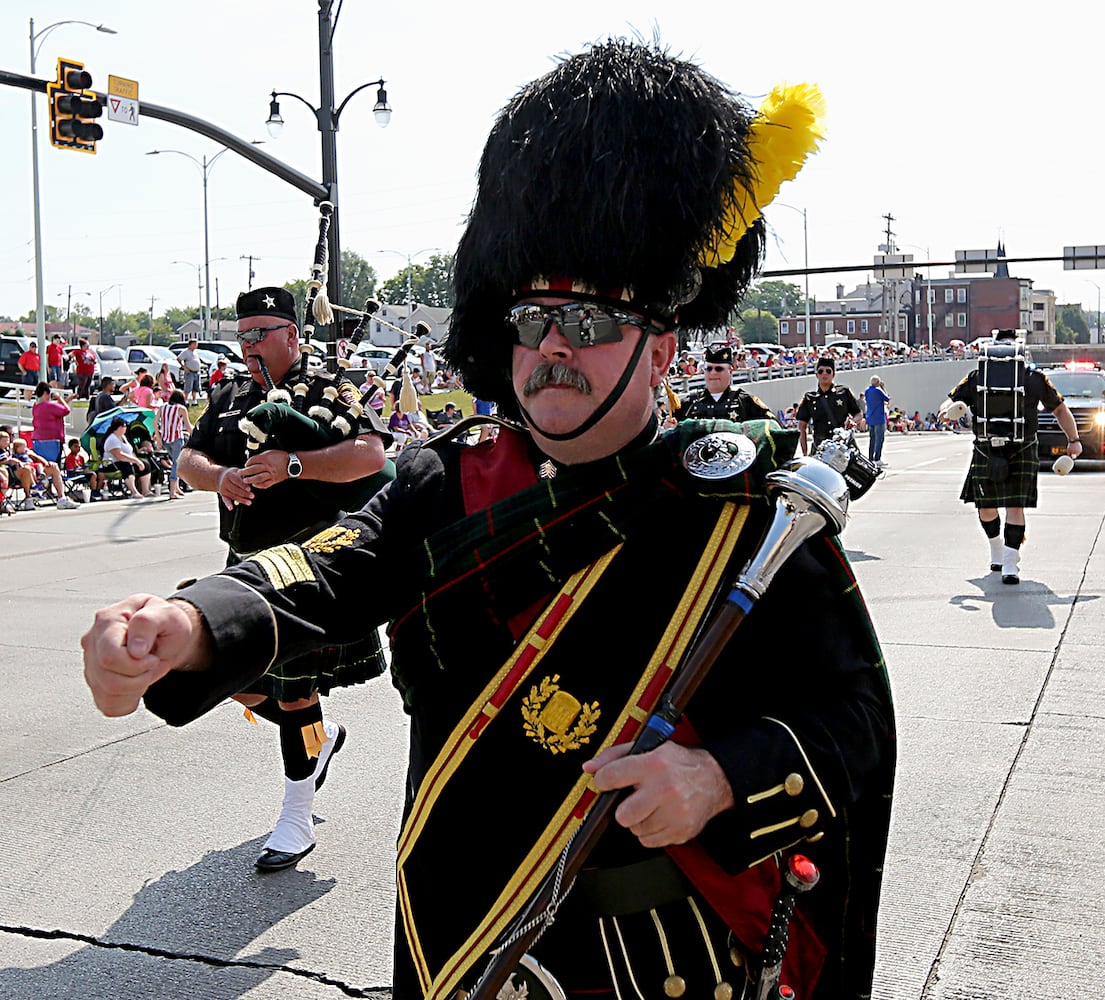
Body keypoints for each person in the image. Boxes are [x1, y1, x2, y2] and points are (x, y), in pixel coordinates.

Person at [81, 40, 893, 1000]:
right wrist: (185, 624)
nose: (554, 348)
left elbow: (854, 719)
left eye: (589, 324)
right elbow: (328, 572)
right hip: (458, 933)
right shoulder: (446, 480)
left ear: (661, 346)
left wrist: (721, 777)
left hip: (666, 956)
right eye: (530, 320)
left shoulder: (742, 511)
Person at [170, 286, 393, 873]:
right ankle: (319, 738)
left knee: (294, 691)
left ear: (292, 334)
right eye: (242, 335)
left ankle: (295, 818)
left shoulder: (328, 389)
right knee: (225, 676)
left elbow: (371, 455)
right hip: (244, 561)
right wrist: (220, 478)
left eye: (260, 334)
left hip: (307, 565)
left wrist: (295, 465)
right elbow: (186, 460)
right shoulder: (228, 394)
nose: (249, 346)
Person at [939, 328, 1080, 585]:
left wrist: (947, 409)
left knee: (991, 507)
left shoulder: (979, 375)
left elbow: (949, 401)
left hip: (1001, 447)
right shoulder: (1033, 377)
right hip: (1009, 447)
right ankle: (1004, 557)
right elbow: (1060, 409)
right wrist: (1074, 441)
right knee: (1003, 507)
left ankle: (1007, 558)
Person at [675, 343, 776, 424]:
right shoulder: (688, 403)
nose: (713, 373)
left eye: (719, 369)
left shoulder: (745, 401)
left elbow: (771, 426)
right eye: (709, 369)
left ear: (730, 371)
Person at [796, 354, 861, 456]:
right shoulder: (810, 398)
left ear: (833, 375)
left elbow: (858, 414)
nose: (824, 374)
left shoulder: (843, 392)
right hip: (821, 448)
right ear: (816, 375)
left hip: (843, 445)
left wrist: (853, 421)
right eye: (821, 371)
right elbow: (802, 427)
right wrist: (805, 453)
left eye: (828, 371)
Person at [102, 417, 151, 499]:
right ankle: (133, 492)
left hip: (127, 461)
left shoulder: (124, 437)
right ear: (120, 427)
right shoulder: (112, 439)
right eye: (125, 426)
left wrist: (138, 460)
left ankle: (145, 490)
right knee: (126, 466)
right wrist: (136, 461)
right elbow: (119, 455)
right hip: (112, 463)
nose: (126, 428)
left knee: (146, 464)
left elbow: (130, 451)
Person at [155, 389, 191, 500]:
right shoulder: (181, 409)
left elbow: (155, 423)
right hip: (176, 439)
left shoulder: (163, 407)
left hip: (165, 440)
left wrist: (158, 438)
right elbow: (188, 426)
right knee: (176, 464)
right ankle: (172, 492)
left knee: (176, 463)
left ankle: (176, 488)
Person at [30, 382, 72, 465]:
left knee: (42, 464)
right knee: (54, 465)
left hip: (38, 440)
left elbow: (58, 408)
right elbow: (66, 410)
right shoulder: (50, 405)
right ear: (46, 393)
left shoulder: (35, 406)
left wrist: (68, 399)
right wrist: (59, 397)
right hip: (53, 441)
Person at [863, 374, 891, 465]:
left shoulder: (867, 390)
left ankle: (870, 458)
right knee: (879, 439)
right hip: (879, 417)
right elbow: (887, 398)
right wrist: (883, 387)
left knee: (872, 439)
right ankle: (877, 458)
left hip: (870, 417)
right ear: (878, 382)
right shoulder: (878, 390)